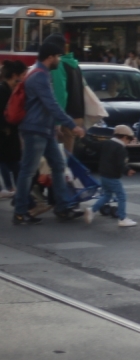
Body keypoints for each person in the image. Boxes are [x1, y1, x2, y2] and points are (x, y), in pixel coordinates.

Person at [13, 36, 86, 224]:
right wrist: (72, 125)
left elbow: (48, 106)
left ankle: (62, 206)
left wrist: (55, 127)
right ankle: (20, 211)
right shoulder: (38, 76)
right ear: (50, 57)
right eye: (58, 57)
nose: (60, 60)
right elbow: (51, 105)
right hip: (35, 130)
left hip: (45, 130)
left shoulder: (41, 73)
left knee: (59, 166)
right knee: (28, 171)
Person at [85, 124, 137, 228]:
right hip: (113, 177)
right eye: (129, 139)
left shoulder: (107, 143)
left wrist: (83, 138)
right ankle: (122, 218)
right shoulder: (121, 149)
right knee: (121, 196)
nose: (129, 142)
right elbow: (121, 164)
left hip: (103, 175)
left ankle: (92, 210)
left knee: (107, 195)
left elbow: (93, 145)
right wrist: (127, 171)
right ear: (124, 137)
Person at [0, 60, 26, 199]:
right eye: (22, 74)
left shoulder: (10, 90)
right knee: (17, 167)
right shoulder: (3, 90)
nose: (24, 77)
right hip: (6, 136)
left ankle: (22, 198)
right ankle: (24, 199)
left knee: (15, 166)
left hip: (9, 136)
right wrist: (5, 128)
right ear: (15, 75)